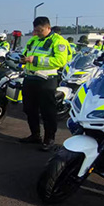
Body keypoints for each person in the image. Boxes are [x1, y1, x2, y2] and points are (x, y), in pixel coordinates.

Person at [19, 16, 70, 151]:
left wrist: (35, 60)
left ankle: (49, 139)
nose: (37, 33)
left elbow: (60, 61)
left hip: (46, 80)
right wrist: (23, 59)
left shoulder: (58, 41)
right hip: (30, 78)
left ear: (48, 28)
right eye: (35, 30)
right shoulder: (33, 39)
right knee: (29, 109)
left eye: (40, 30)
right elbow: (25, 53)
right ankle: (35, 135)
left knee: (47, 111)